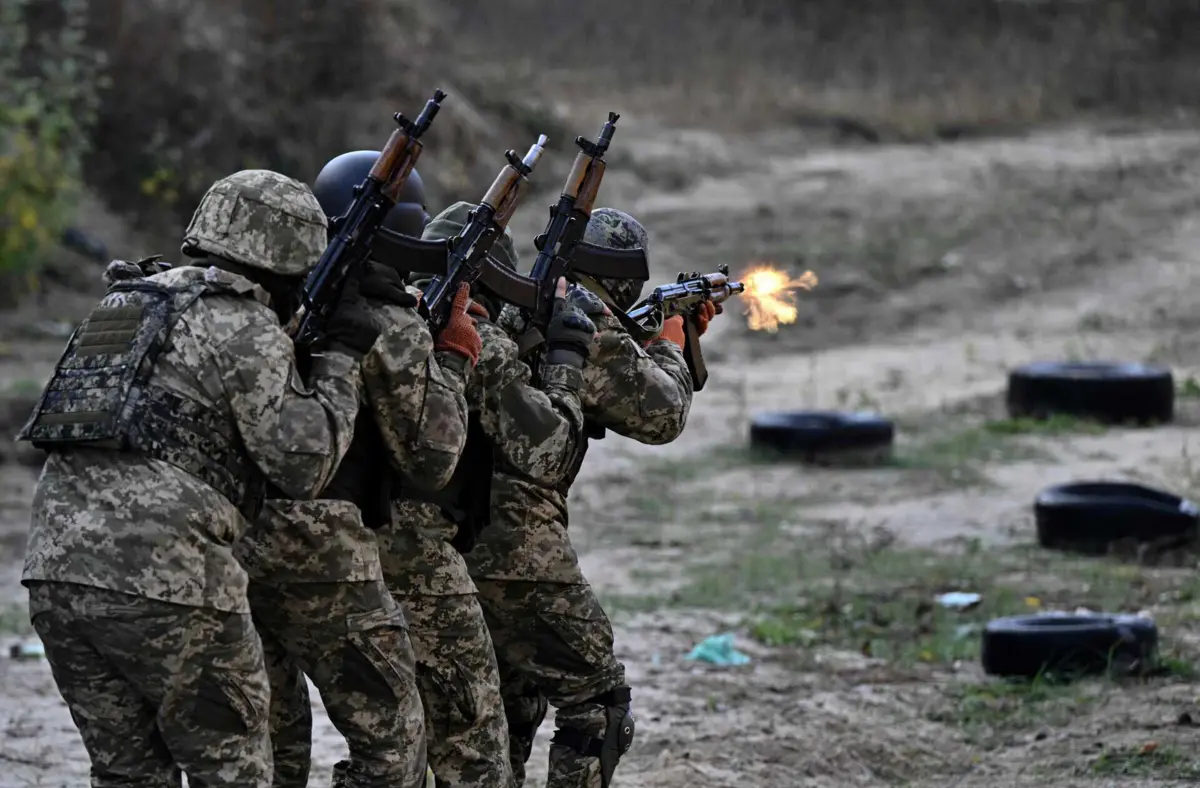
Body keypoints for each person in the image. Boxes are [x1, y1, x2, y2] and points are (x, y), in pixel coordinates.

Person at [17, 170, 371, 788]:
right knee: (230, 771)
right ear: (289, 263)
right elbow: (303, 464)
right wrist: (340, 362)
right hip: (171, 587)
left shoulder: (127, 303)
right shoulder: (245, 326)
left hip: (57, 575)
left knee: (127, 775)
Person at [236, 156, 477, 788]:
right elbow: (432, 460)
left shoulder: (259, 301)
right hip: (327, 558)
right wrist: (453, 358)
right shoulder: (391, 324)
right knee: (393, 742)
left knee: (268, 747)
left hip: (237, 545)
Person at [471, 208, 714, 788]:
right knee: (597, 703)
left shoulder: (522, 301)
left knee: (510, 700)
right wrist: (670, 344)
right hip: (518, 540)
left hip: (460, 530)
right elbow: (661, 414)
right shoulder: (584, 316)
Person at [383, 200, 600, 788]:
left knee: (395, 744)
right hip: (426, 563)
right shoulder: (477, 336)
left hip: (355, 558)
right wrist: (564, 358)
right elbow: (550, 450)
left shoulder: (385, 320)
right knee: (481, 747)